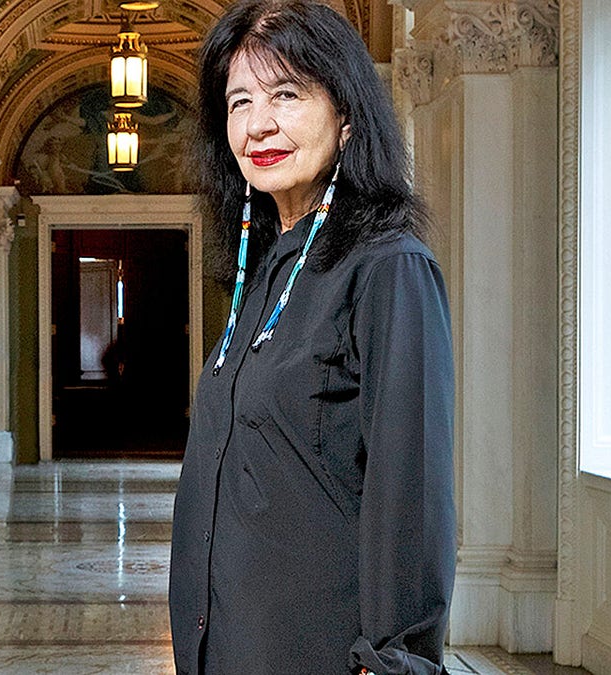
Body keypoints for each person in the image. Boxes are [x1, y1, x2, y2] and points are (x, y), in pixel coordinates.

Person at [168, 0, 455, 672]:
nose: (258, 123)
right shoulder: (262, 269)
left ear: (346, 115)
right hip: (223, 646)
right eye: (239, 102)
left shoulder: (390, 267)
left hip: (316, 651)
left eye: (286, 94)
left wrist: (396, 659)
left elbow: (409, 491)